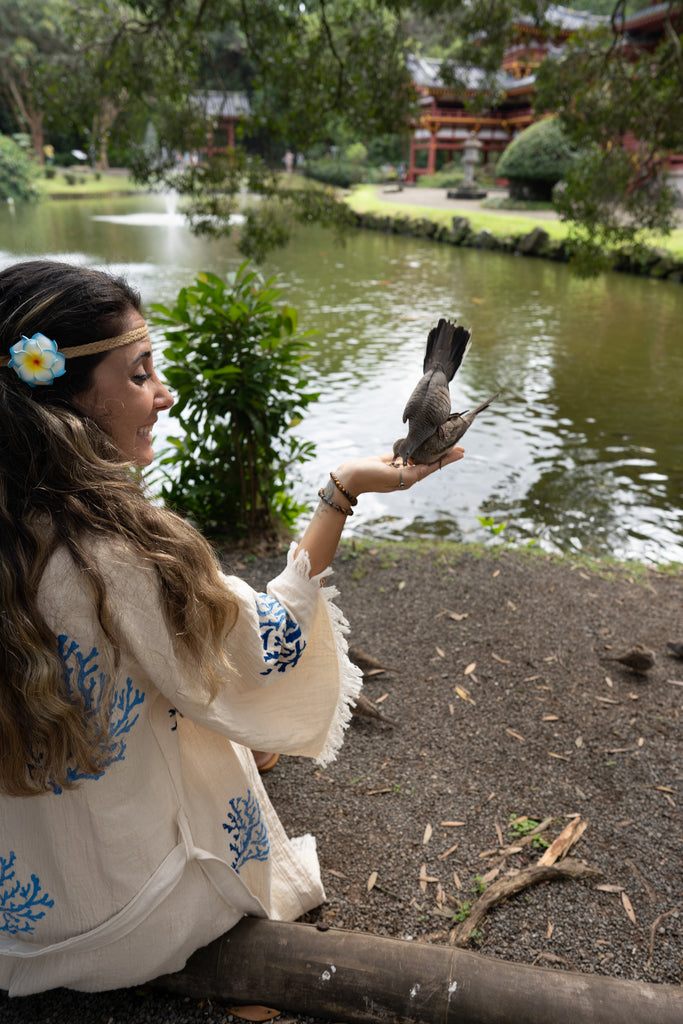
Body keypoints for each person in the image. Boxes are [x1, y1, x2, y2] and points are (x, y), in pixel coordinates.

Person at [0, 260, 464, 996]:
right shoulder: (113, 556)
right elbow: (267, 645)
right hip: (113, 919)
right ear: (68, 398)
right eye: (139, 373)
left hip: (15, 916)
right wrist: (341, 490)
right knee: (218, 700)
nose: (164, 393)